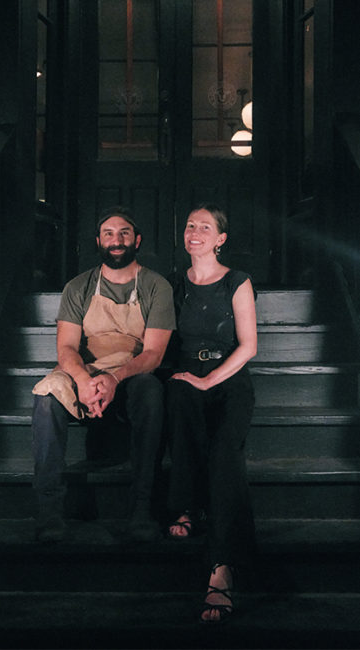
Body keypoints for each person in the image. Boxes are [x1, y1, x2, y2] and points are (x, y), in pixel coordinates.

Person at [32, 206, 175, 543]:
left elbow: (153, 355)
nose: (116, 240)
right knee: (46, 397)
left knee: (151, 393)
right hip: (85, 370)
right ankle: (48, 512)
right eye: (108, 234)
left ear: (137, 240)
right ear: (98, 241)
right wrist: (84, 381)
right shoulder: (78, 287)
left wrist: (114, 379)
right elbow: (67, 348)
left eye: (124, 233)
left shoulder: (156, 286)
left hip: (130, 372)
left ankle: (141, 509)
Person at [166, 203, 257, 623]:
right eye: (190, 226)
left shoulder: (237, 281)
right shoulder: (174, 283)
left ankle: (222, 567)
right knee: (177, 395)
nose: (195, 232)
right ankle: (184, 504)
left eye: (205, 227)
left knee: (224, 454)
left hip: (229, 378)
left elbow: (249, 346)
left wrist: (210, 380)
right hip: (188, 373)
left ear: (220, 238)